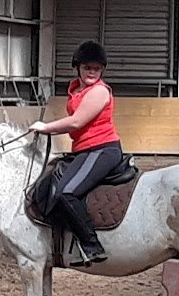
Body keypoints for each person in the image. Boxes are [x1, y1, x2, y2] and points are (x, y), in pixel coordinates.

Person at [28, 40, 122, 266]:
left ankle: (91, 246)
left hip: (102, 149)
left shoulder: (99, 91)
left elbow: (76, 122)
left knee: (66, 192)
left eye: (97, 68)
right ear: (77, 67)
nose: (92, 72)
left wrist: (46, 127)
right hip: (83, 150)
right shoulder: (78, 90)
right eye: (87, 67)